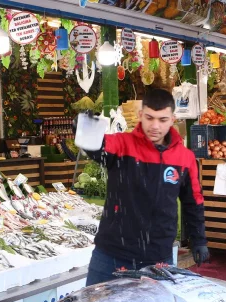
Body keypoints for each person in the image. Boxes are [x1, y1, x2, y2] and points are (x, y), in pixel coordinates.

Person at [79, 89, 210, 285]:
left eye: (162, 120)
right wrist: (85, 129)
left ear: (173, 119)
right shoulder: (121, 144)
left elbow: (194, 202)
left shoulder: (185, 158)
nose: (155, 126)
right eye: (149, 118)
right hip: (111, 255)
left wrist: (199, 240)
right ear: (140, 115)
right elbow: (97, 148)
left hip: (158, 257)